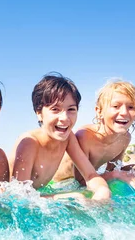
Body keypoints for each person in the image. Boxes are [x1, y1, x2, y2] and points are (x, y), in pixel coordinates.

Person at [9, 73, 111, 201]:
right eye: (55, 109)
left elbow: (90, 174)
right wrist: (63, 197)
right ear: (39, 113)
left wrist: (102, 189)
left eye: (71, 109)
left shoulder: (68, 138)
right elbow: (18, 197)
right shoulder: (29, 142)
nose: (65, 118)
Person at [54, 79, 135, 192]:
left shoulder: (124, 138)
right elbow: (81, 182)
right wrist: (116, 175)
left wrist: (134, 167)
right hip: (60, 183)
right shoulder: (85, 136)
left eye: (131, 107)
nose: (124, 112)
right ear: (99, 111)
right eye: (116, 106)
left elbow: (113, 170)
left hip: (87, 178)